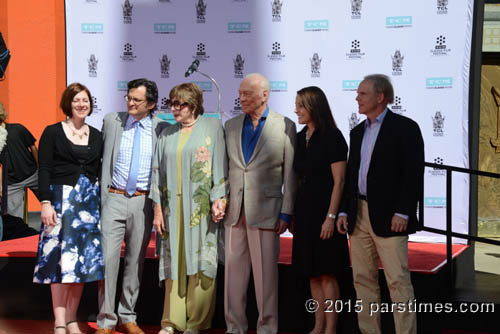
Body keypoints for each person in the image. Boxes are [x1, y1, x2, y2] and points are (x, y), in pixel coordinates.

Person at [337, 74, 424, 334]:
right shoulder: (356, 131)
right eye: (357, 93)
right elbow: (352, 175)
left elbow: (413, 173)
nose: (357, 98)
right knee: (363, 281)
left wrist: (404, 211)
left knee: (398, 281)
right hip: (358, 215)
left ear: (381, 97)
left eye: (363, 94)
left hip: (390, 217)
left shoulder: (405, 128)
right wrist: (343, 210)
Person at [150, 83, 228, 334]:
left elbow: (220, 166)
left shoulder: (212, 127)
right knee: (174, 262)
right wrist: (158, 210)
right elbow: (156, 174)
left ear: (193, 105)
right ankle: (172, 322)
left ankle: (196, 322)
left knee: (201, 261)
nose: (174, 109)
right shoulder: (166, 133)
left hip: (201, 207)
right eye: (171, 103)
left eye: (179, 104)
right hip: (171, 208)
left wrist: (220, 199)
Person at [224, 73, 297, 334]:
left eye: (248, 94)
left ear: (264, 95)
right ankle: (234, 327)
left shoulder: (285, 125)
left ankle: (267, 328)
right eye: (240, 93)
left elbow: (290, 173)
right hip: (234, 212)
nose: (241, 98)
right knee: (233, 277)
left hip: (268, 211)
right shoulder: (231, 125)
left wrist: (287, 212)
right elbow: (225, 169)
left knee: (266, 279)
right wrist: (220, 199)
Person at [96, 78, 168, 334]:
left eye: (136, 100)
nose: (130, 103)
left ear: (150, 104)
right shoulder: (112, 121)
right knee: (108, 261)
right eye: (128, 98)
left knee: (135, 261)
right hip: (114, 197)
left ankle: (128, 316)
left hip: (142, 201)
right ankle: (105, 319)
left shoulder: (161, 128)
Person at [33, 82, 104, 334]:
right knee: (58, 263)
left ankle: (73, 319)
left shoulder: (96, 134)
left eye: (85, 100)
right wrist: (45, 202)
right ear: (68, 104)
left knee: (80, 264)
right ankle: (60, 321)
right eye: (76, 100)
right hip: (59, 202)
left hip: (88, 204)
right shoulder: (52, 132)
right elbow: (44, 170)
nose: (81, 104)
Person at [292, 86, 349, 334]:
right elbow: (295, 178)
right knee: (312, 273)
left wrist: (331, 217)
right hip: (304, 212)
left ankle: (331, 328)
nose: (296, 110)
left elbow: (340, 182)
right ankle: (318, 325)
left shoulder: (333, 137)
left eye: (301, 106)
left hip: (325, 212)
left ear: (314, 107)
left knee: (327, 273)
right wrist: (293, 214)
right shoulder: (299, 136)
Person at [0, 102, 39, 220]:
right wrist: (1, 186)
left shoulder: (17, 128)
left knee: (53, 202)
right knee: (13, 218)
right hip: (12, 183)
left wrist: (41, 169)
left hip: (33, 174)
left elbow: (33, 148)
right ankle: (20, 237)